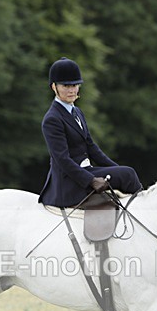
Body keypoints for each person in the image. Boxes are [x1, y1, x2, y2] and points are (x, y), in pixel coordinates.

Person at [38, 57, 142, 207]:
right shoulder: (52, 119)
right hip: (69, 182)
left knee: (127, 173)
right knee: (127, 174)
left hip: (87, 170)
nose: (72, 90)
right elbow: (63, 160)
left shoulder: (77, 112)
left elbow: (92, 148)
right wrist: (91, 180)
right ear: (54, 87)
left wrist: (115, 169)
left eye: (75, 85)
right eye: (66, 86)